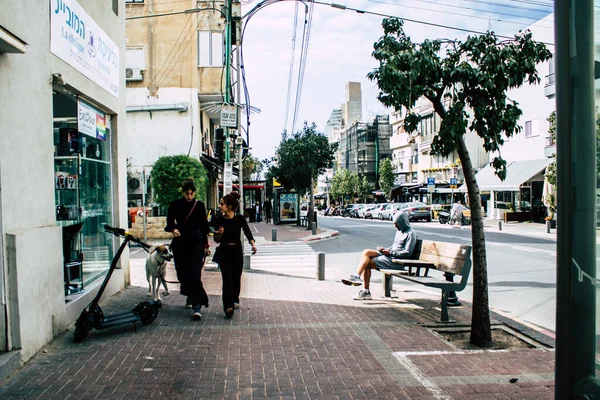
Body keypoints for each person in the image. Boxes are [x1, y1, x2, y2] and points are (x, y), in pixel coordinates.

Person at [341, 212, 418, 300]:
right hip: (390, 255)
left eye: (397, 223)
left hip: (397, 261)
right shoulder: (399, 232)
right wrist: (385, 250)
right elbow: (394, 246)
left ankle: (365, 290)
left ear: (402, 222)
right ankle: (357, 276)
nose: (395, 226)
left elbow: (407, 253)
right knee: (366, 252)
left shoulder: (411, 234)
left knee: (367, 263)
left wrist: (390, 253)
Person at [164, 178, 211, 320]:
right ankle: (190, 295)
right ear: (183, 192)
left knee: (195, 274)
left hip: (196, 243)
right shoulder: (175, 205)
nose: (189, 196)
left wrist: (206, 245)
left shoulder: (200, 206)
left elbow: (204, 227)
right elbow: (169, 223)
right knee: (182, 274)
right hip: (180, 243)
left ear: (194, 192)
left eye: (191, 193)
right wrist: (174, 229)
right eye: (187, 193)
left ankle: (198, 304)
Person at [213, 192, 257, 318]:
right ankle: (228, 306)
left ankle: (235, 298)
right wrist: (219, 234)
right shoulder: (219, 219)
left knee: (236, 278)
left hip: (237, 251)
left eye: (222, 204)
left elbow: (247, 231)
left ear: (230, 206)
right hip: (224, 251)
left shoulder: (239, 218)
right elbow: (216, 239)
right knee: (227, 280)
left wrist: (252, 243)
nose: (220, 206)